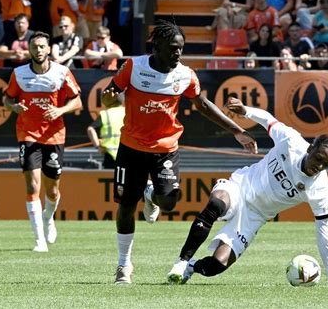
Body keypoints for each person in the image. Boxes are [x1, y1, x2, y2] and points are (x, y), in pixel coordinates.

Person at [100, 19, 258, 284]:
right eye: (173, 48)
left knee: (170, 202)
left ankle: (151, 193)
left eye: (181, 48)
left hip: (165, 149)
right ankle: (123, 265)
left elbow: (203, 105)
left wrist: (236, 130)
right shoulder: (134, 67)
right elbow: (110, 94)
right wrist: (108, 98)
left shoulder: (184, 74)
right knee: (126, 207)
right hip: (131, 147)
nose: (178, 53)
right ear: (157, 45)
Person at [167, 97, 328, 288]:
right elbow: (268, 120)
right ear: (311, 148)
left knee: (217, 264)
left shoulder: (320, 189)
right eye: (319, 158)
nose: (320, 165)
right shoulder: (291, 141)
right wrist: (245, 111)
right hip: (241, 186)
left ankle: (191, 267)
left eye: (327, 164)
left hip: (254, 216)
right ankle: (182, 261)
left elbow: (324, 233)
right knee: (217, 203)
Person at [3, 31, 82, 253]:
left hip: (54, 135)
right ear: (29, 49)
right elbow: (7, 99)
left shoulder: (61, 72)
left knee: (53, 191)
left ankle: (48, 217)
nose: (38, 50)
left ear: (48, 49)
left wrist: (59, 110)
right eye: (34, 46)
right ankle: (39, 241)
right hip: (27, 133)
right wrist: (14, 107)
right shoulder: (18, 74)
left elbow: (77, 101)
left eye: (41, 47)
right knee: (32, 185)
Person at [86, 93, 125, 169]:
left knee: (110, 178)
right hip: (127, 153)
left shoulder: (105, 114)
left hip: (110, 154)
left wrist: (97, 146)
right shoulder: (127, 112)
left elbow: (90, 129)